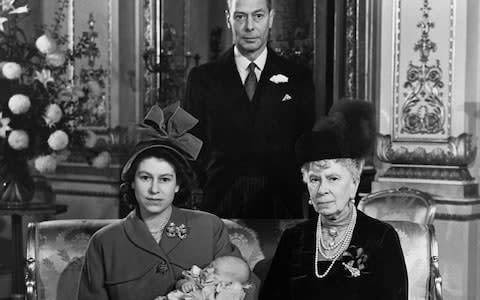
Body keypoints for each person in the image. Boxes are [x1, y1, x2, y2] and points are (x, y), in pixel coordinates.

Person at [77, 103, 257, 300]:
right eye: (145, 178)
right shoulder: (104, 242)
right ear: (132, 183)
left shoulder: (209, 228)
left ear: (178, 185)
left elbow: (247, 288)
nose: (154, 189)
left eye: (165, 179)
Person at [260, 99, 408, 299]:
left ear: (354, 183)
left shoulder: (380, 238)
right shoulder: (293, 239)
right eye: (314, 180)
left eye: (333, 178)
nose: (322, 189)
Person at [184, 0, 315, 218]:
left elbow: (305, 142)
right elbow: (190, 143)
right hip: (219, 202)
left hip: (282, 205)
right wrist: (212, 176)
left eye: (258, 16)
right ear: (229, 19)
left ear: (270, 19)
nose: (249, 26)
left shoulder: (298, 78)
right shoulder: (202, 79)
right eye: (240, 16)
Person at [166, 256, 251, 300]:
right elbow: (178, 284)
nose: (208, 270)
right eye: (210, 266)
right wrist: (184, 284)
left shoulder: (226, 293)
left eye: (215, 272)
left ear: (228, 283)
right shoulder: (196, 276)